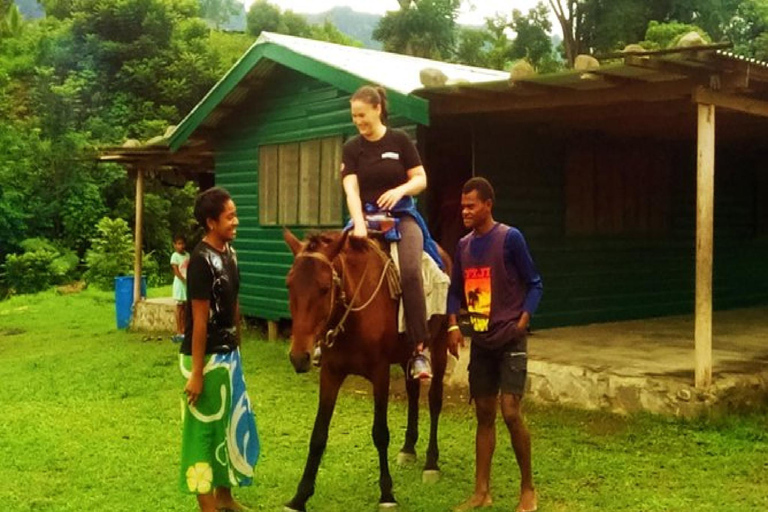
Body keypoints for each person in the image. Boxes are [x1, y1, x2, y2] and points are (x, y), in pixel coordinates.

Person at [446, 177, 543, 512]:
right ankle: (481, 492)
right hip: (482, 341)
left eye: (471, 205)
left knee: (511, 412)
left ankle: (528, 489)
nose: (465, 212)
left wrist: (523, 319)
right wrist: (454, 324)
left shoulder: (509, 238)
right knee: (484, 415)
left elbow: (535, 283)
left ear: (488, 204)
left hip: (510, 339)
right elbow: (455, 290)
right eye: (463, 206)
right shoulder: (463, 246)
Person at [341, 84, 443, 380]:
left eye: (362, 115)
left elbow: (421, 179)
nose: (358, 121)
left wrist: (400, 191)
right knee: (333, 264)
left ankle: (419, 349)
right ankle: (329, 340)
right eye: (354, 116)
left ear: (377, 109)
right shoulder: (352, 148)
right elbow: (351, 189)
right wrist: (358, 223)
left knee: (410, 271)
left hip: (401, 217)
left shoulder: (400, 141)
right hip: (364, 218)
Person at [180, 187, 259, 512]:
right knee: (202, 433)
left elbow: (233, 302)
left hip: (229, 355)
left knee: (229, 426)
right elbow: (198, 322)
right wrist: (197, 374)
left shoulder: (230, 253)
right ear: (211, 222)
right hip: (205, 358)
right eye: (230, 217)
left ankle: (225, 498)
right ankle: (207, 505)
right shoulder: (199, 261)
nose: (236, 221)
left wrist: (238, 343)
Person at [170, 234, 190, 343]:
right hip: (180, 284)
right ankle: (179, 330)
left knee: (186, 307)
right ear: (174, 245)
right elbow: (176, 270)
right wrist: (183, 279)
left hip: (187, 284)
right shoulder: (175, 256)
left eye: (182, 243)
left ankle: (185, 328)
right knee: (180, 307)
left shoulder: (187, 255)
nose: (181, 246)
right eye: (178, 244)